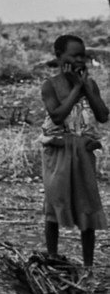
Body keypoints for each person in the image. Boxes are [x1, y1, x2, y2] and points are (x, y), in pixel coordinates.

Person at [39, 34, 108, 273]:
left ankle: (88, 266)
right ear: (59, 58)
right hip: (57, 154)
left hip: (83, 153)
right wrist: (77, 88)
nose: (81, 60)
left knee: (87, 201)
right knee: (55, 202)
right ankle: (53, 259)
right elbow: (57, 116)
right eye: (75, 55)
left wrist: (86, 88)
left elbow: (102, 115)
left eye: (83, 55)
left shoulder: (91, 84)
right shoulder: (50, 85)